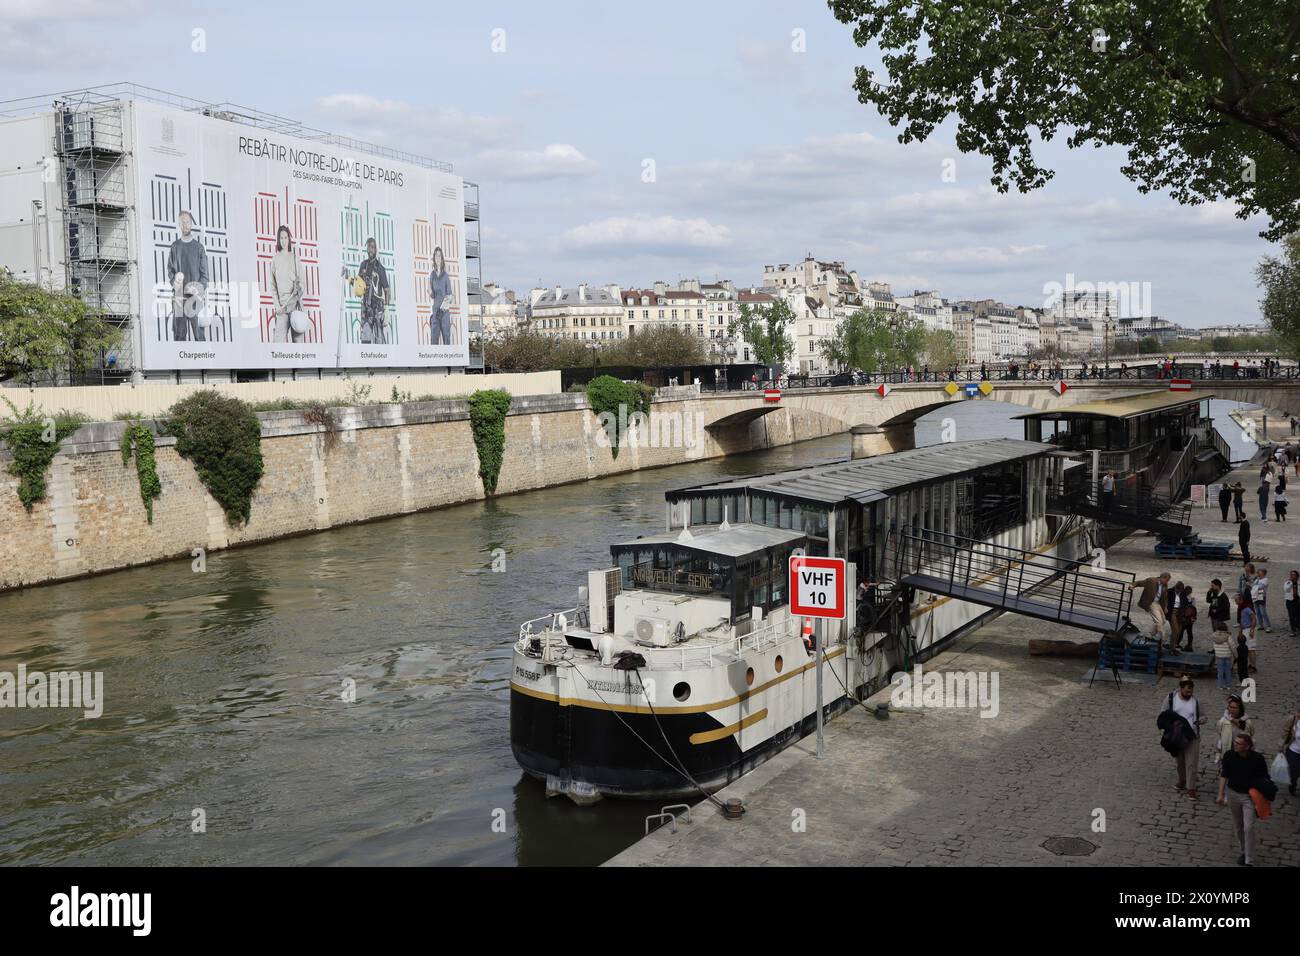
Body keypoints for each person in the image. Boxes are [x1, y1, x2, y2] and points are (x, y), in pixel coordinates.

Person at [1215, 732, 1269, 865]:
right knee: (1238, 826)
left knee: (1248, 827)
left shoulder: (1257, 759)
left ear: (1247, 747)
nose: (1235, 745)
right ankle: (1244, 851)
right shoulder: (1229, 755)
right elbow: (1224, 775)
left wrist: (1261, 798)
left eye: (1238, 744)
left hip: (1249, 797)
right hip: (1232, 794)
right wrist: (1221, 794)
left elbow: (1264, 778)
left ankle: (1249, 859)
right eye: (1235, 742)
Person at [166, 210, 209, 342]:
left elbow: (205, 276)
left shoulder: (199, 248)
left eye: (188, 222)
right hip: (179, 299)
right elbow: (170, 272)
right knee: (179, 338)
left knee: (199, 337)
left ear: (191, 224)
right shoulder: (175, 247)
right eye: (182, 222)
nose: (185, 224)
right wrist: (175, 283)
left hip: (195, 300)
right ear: (179, 224)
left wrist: (198, 289)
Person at [1158, 677, 1205, 798]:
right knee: (1180, 762)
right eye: (1186, 692)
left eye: (1191, 691)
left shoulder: (1196, 701)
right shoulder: (1170, 699)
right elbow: (1163, 714)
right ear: (1180, 688)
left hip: (1192, 735)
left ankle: (1191, 787)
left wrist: (1200, 720)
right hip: (1177, 736)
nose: (1189, 694)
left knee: (1191, 763)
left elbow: (1203, 716)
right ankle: (1182, 780)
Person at [270, 225, 307, 343]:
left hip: (295, 308)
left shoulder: (295, 258)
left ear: (289, 239)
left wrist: (299, 289)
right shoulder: (275, 260)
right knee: (277, 345)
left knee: (298, 347)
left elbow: (302, 282)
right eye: (281, 238)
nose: (284, 241)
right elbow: (273, 286)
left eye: (286, 237)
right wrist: (277, 306)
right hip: (282, 309)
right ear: (278, 239)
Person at [356, 237, 390, 344]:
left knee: (379, 337)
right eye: (369, 247)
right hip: (366, 307)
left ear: (376, 249)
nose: (370, 249)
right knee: (365, 339)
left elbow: (387, 290)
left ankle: (381, 359)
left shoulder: (380, 268)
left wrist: (387, 308)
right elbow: (358, 285)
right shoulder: (363, 265)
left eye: (372, 247)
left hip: (377, 308)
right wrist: (349, 278)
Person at [1130, 572, 1172, 643]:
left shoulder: (1165, 585)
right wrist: (1132, 585)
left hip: (1158, 603)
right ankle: (1164, 636)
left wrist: (1165, 607)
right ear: (1162, 577)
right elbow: (1139, 583)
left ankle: (1150, 634)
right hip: (1151, 602)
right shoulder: (1151, 581)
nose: (1167, 582)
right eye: (1167, 580)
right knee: (1159, 621)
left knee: (1163, 620)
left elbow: (1164, 597)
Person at [427, 246, 455, 345]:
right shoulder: (432, 275)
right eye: (436, 256)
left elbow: (450, 296)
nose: (437, 258)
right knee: (433, 341)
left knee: (446, 340)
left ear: (442, 258)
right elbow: (433, 295)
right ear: (434, 258)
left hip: (444, 313)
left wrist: (441, 311)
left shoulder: (445, 276)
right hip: (435, 312)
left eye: (439, 256)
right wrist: (430, 291)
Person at [1280, 707, 1300, 796]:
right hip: (1294, 751)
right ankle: (1293, 784)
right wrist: (1282, 746)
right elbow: (1285, 733)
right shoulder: (1293, 720)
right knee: (1293, 774)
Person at [1252, 566, 1272, 634]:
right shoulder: (1257, 579)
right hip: (1255, 596)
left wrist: (1255, 585)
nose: (1258, 573)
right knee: (1257, 612)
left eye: (1259, 572)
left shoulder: (1265, 580)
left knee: (1263, 612)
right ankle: (1261, 625)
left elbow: (1260, 587)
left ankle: (1268, 626)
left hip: (1261, 597)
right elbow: (1253, 586)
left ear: (1263, 573)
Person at [1179, 584, 1196, 651]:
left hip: (1184, 618)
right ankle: (1189, 645)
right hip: (1190, 618)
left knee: (1181, 631)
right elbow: (1194, 609)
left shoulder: (1181, 597)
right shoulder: (1192, 599)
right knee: (1189, 632)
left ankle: (1177, 643)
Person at [1285, 569, 1300, 637]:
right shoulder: (1287, 582)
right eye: (1291, 575)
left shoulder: (1299, 582)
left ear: (1297, 576)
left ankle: (1298, 627)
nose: (1292, 576)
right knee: (1291, 616)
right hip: (1290, 601)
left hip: (1298, 601)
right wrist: (1291, 582)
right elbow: (1286, 589)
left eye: (1294, 575)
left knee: (1298, 616)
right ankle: (1293, 630)